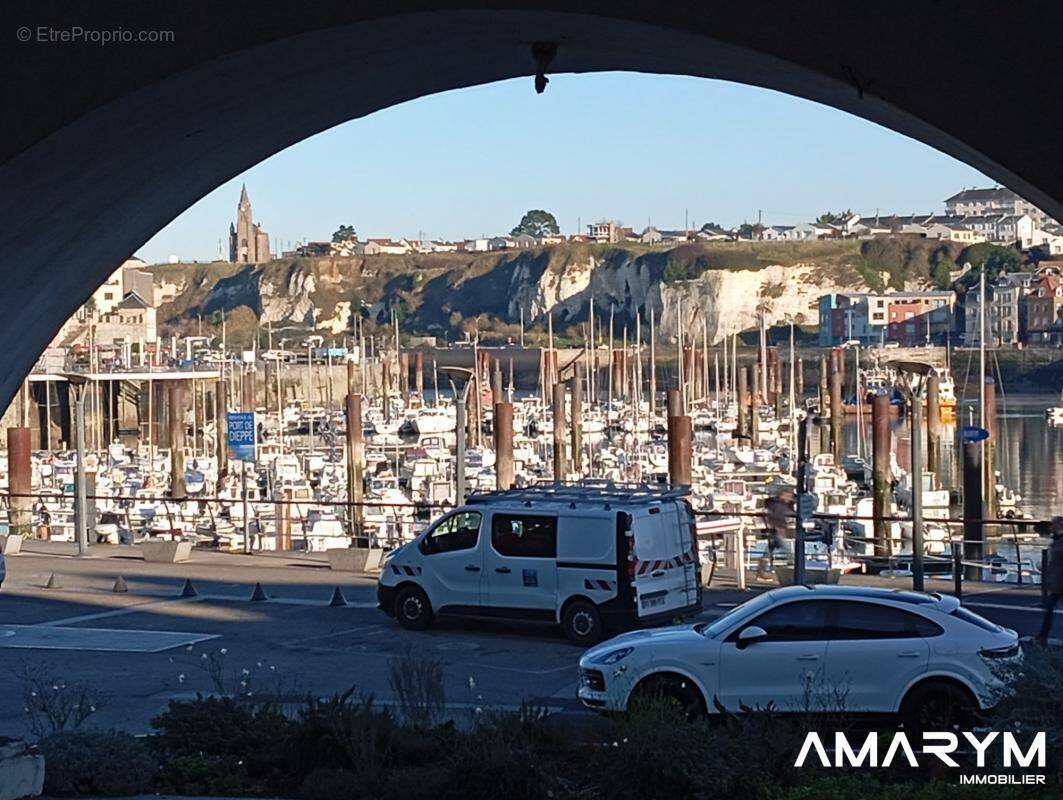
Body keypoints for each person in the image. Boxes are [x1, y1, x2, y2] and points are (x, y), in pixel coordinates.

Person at [757, 487, 794, 580]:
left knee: (769, 551)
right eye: (788, 496)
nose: (789, 498)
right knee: (789, 552)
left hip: (777, 530)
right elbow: (777, 517)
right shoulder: (778, 505)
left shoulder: (778, 504)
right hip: (777, 530)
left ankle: (762, 571)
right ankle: (792, 571)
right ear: (783, 495)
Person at [1036, 517, 1063, 644]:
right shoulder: (1056, 540)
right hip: (1056, 581)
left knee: (1049, 608)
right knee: (1048, 608)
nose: (1051, 527)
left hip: (1059, 581)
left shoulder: (1059, 542)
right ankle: (1042, 635)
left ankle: (1042, 636)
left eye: (1054, 524)